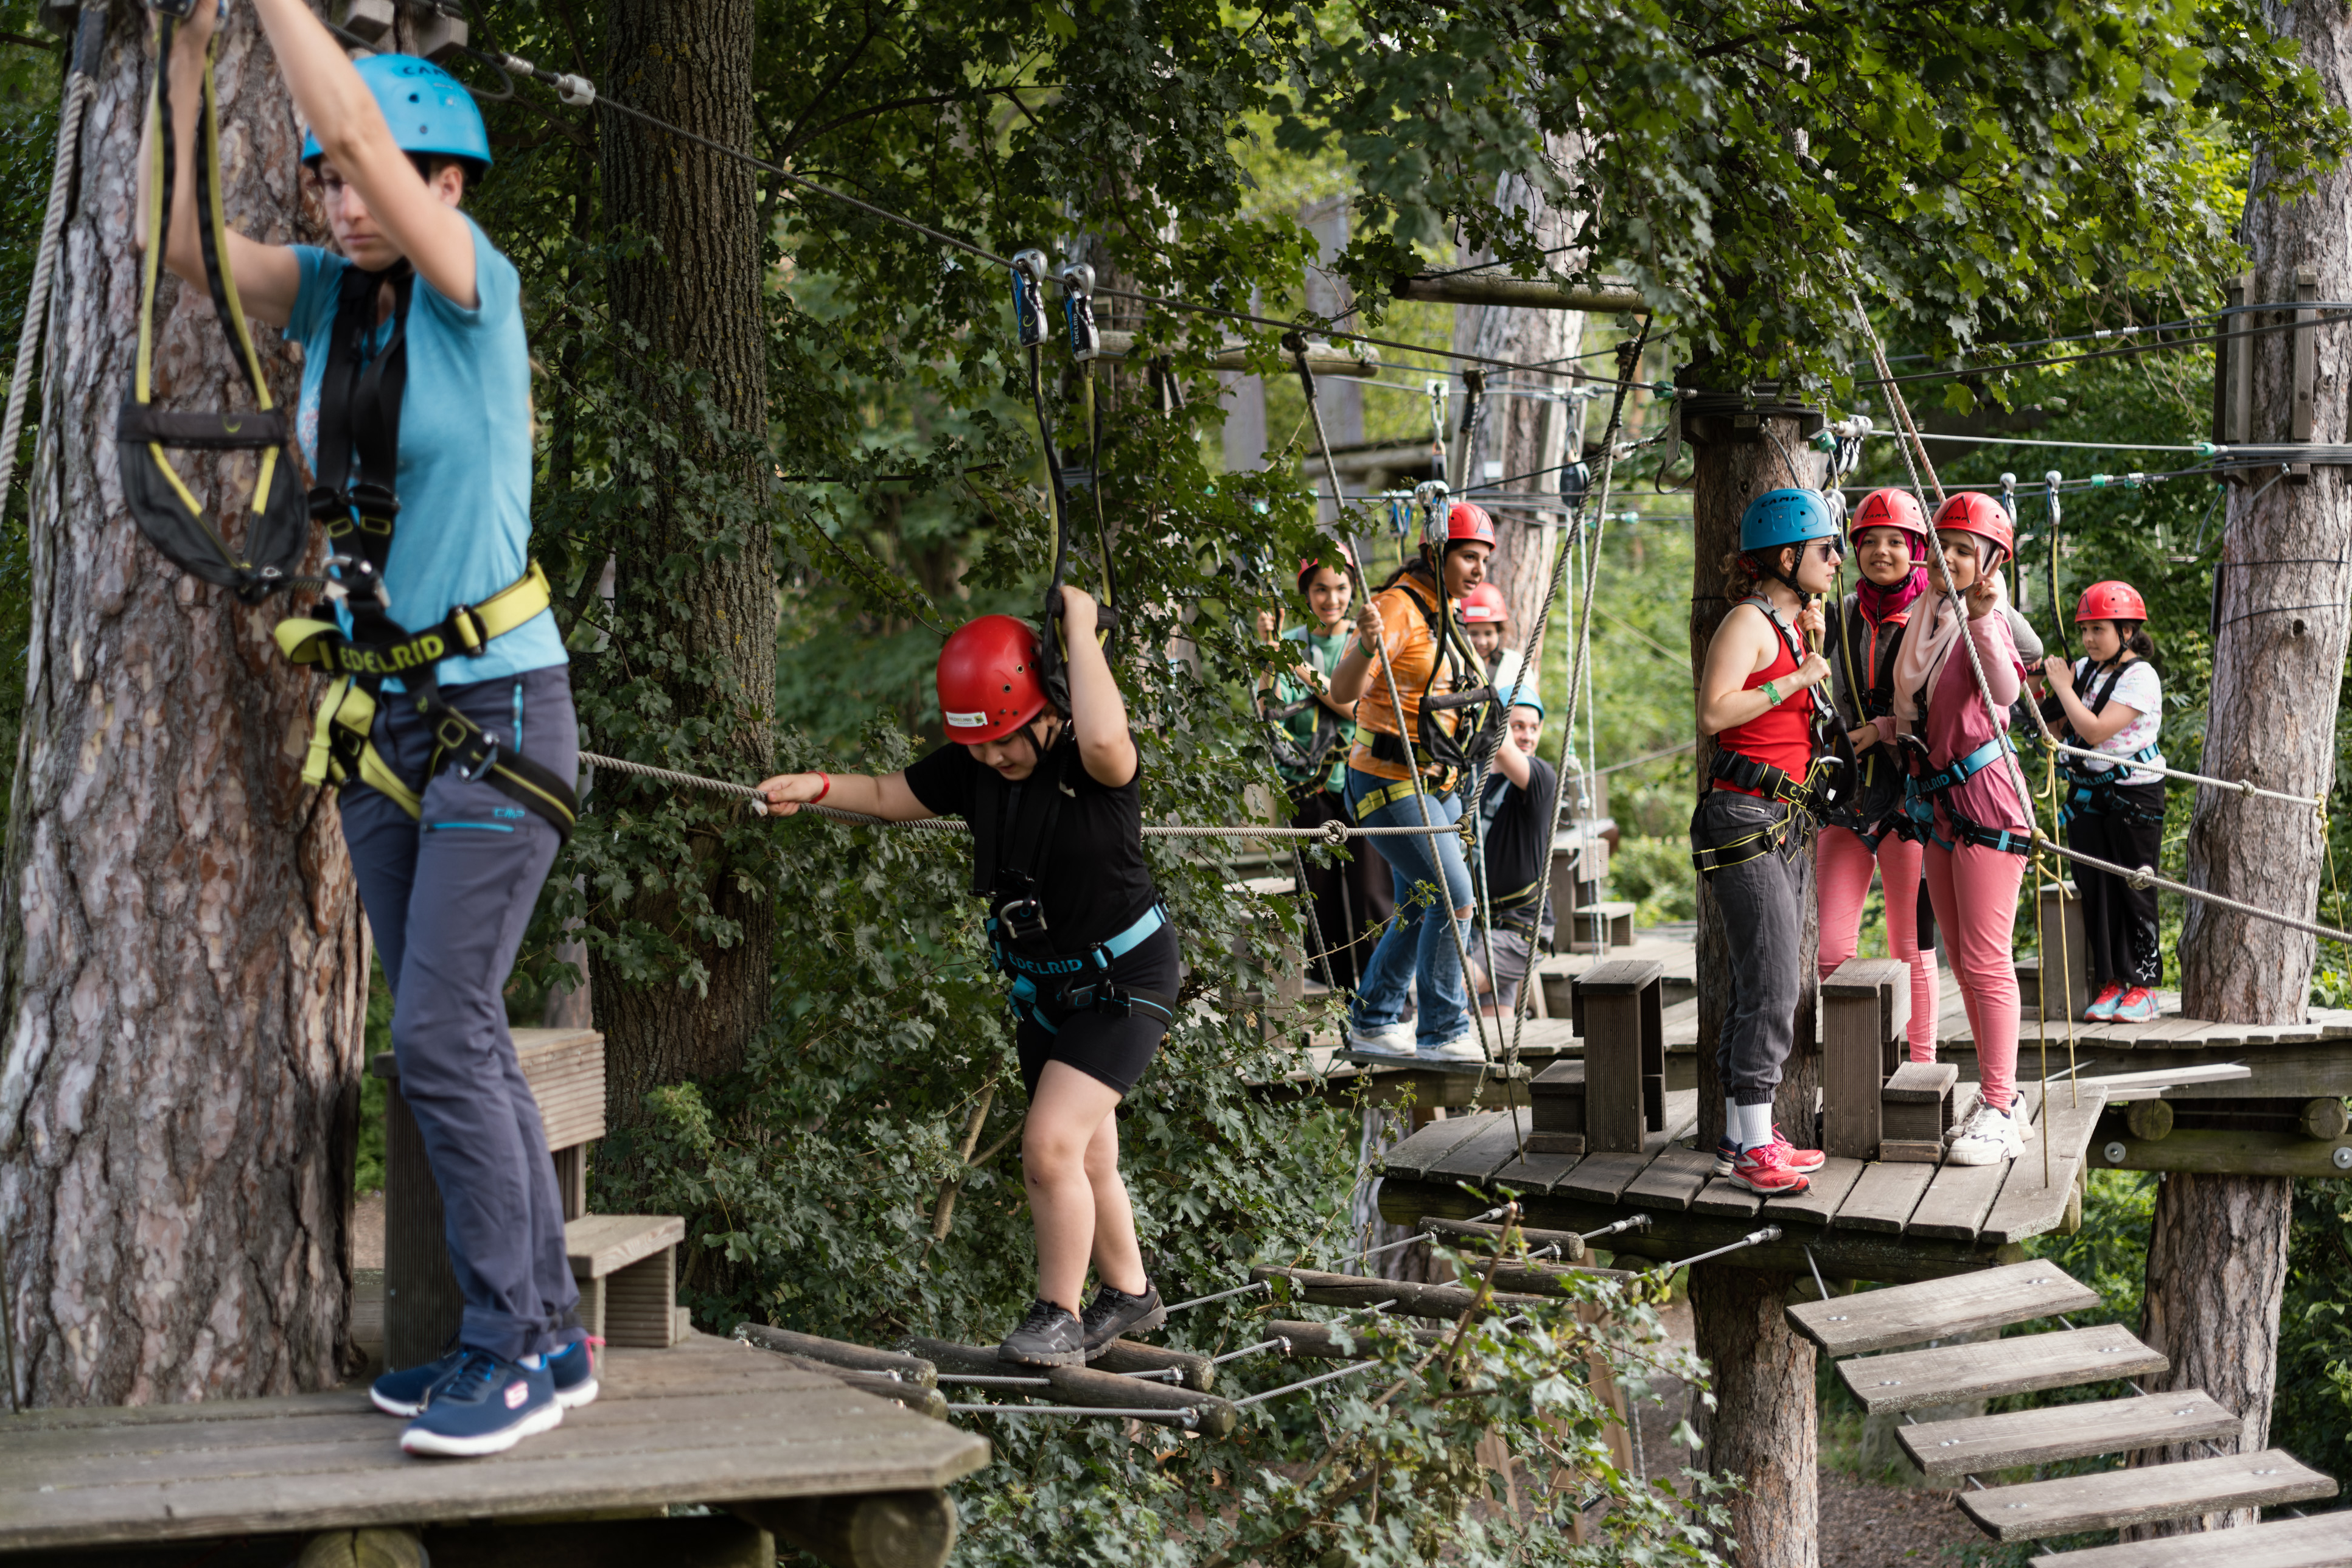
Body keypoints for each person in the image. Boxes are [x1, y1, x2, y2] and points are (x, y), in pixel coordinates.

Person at [143, 4, 587, 1456]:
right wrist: (189, 59)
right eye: (331, 185)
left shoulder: (476, 286)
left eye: (370, 177)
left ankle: (509, 1345)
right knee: (447, 1042)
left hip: (500, 707)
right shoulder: (338, 301)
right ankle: (549, 1337)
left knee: (441, 1034)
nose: (340, 195)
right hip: (389, 718)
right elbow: (189, 255)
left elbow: (345, 124)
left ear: (440, 186)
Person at [758, 592, 1179, 1367]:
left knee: (1048, 1147)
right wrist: (814, 787)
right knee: (1087, 1156)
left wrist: (1079, 632)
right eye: (978, 746)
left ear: (1048, 707)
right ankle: (1129, 1292)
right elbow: (889, 797)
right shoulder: (976, 765)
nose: (992, 759)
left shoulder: (1094, 765)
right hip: (1047, 991)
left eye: (1006, 743)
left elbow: (1109, 731)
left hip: (1123, 977)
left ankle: (1059, 1314)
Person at [1692, 488, 1840, 1196]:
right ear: (1786, 558)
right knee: (1775, 986)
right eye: (1824, 550)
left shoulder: (1788, 625)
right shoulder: (1746, 624)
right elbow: (1714, 713)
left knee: (1763, 982)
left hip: (1776, 821)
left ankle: (1739, 1135)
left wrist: (1809, 655)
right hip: (1743, 819)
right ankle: (1755, 1151)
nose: (1837, 560)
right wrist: (1796, 677)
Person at [1886, 493, 2035, 1167]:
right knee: (1962, 961)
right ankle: (1999, 1097)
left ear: (1990, 563)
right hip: (1941, 803)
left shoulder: (1981, 620)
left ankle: (2001, 1106)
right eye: (1942, 545)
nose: (1948, 558)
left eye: (1964, 550)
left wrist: (1982, 617)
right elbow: (1921, 707)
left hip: (1987, 802)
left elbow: (2003, 692)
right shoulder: (1928, 614)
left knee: (1983, 961)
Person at [1325, 502, 1502, 1062]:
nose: (1479, 570)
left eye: (1483, 560)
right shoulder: (1396, 609)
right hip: (1389, 781)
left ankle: (1374, 1019)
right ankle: (1443, 1028)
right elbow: (1342, 692)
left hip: (1436, 783)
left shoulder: (1444, 610)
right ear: (1436, 553)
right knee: (1454, 897)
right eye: (1468, 557)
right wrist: (1364, 642)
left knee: (1419, 905)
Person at [1818, 488, 1942, 1060]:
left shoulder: (1937, 616)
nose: (1882, 551)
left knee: (1910, 945)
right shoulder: (1838, 615)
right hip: (1845, 794)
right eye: (1870, 541)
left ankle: (1919, 1064)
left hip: (1911, 799)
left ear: (1917, 550)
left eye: (1896, 541)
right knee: (1828, 947)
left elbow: (2021, 650)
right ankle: (1854, 1059)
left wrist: (1887, 728)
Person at [1265, 553, 1394, 991]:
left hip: (1363, 780)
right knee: (1317, 899)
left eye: (1340, 588)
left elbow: (1354, 707)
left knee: (1372, 894)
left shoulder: (1367, 641)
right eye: (1320, 589)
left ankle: (1380, 998)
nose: (1331, 598)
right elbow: (1269, 710)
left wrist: (1300, 670)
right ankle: (1332, 1000)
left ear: (1353, 590)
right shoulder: (1287, 642)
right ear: (1306, 594)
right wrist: (1270, 653)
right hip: (1308, 787)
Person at [2040, 582, 2166, 1022]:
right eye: (2085, 630)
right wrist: (2046, 690)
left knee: (2134, 887)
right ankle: (2111, 982)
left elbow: (2094, 731)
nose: (2089, 639)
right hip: (2089, 793)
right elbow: (2059, 728)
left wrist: (2062, 684)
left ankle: (2145, 986)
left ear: (2127, 630)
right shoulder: (2084, 668)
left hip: (2135, 794)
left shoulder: (2140, 677)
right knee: (2095, 889)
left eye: (2099, 629)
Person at [1471, 687, 1557, 1017]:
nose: (1527, 736)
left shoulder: (1540, 778)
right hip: (1480, 924)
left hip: (1519, 930)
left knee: (1453, 984)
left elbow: (1503, 751)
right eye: (1518, 726)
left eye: (1534, 728)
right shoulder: (1473, 780)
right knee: (1495, 1021)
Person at [1459, 582, 1524, 699]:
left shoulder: (1514, 663)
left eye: (1488, 634)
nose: (1482, 642)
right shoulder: (1454, 664)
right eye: (1473, 634)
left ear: (1499, 633)